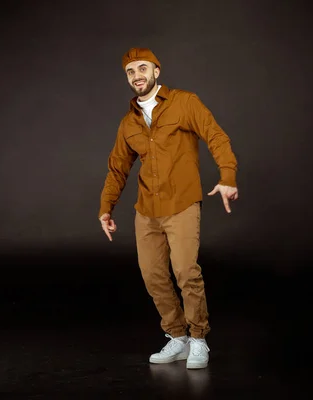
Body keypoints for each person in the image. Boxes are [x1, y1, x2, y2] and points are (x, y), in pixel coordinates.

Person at [97, 47, 239, 369]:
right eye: (131, 72)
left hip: (182, 203)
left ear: (156, 71)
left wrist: (227, 175)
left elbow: (216, 137)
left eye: (143, 69)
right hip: (146, 210)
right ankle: (177, 336)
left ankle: (199, 339)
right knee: (153, 276)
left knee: (186, 271)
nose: (137, 76)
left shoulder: (185, 102)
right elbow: (118, 168)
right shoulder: (127, 123)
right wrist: (107, 207)